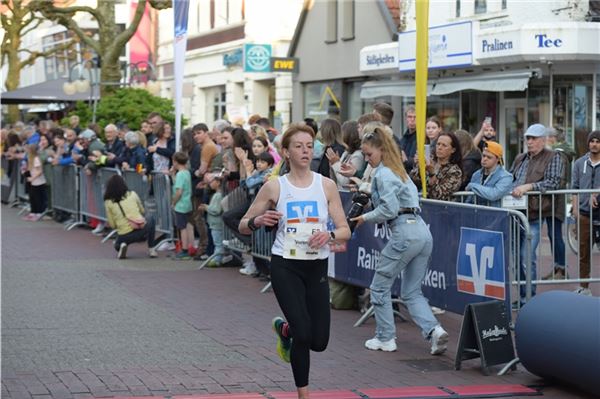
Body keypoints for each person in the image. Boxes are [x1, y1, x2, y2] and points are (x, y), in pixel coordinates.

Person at [238, 124, 350, 399]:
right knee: (303, 333)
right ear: (286, 152)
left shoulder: (326, 185)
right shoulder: (275, 186)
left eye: (309, 145)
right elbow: (242, 224)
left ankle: (285, 329)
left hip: (316, 266)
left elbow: (345, 229)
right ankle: (304, 394)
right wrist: (258, 221)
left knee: (319, 341)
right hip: (285, 264)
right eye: (298, 146)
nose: (305, 151)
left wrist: (330, 234)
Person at [349, 127, 449, 355]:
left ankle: (385, 337)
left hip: (404, 232)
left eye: (368, 154)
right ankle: (434, 330)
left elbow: (388, 209)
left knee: (379, 287)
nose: (366, 159)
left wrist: (364, 217)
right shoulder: (398, 171)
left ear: (381, 150)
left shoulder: (384, 174)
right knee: (412, 292)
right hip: (422, 231)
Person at [510, 123, 564, 306]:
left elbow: (553, 182)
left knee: (527, 256)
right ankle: (524, 295)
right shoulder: (520, 158)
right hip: (515, 212)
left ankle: (529, 298)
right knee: (516, 258)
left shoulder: (553, 156)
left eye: (533, 138)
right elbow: (510, 178)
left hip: (535, 212)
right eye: (527, 138)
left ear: (543, 140)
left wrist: (529, 186)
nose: (529, 141)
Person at [570, 130, 600, 296]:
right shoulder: (579, 163)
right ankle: (584, 286)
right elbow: (574, 188)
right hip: (583, 214)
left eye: (597, 141)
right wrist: (574, 211)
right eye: (592, 141)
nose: (594, 144)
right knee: (584, 253)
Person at [104, 174, 157, 259]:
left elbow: (113, 225)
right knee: (151, 218)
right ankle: (152, 249)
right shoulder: (132, 194)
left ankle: (122, 245)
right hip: (139, 229)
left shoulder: (108, 202)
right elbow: (142, 211)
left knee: (117, 244)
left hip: (124, 234)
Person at [410, 131, 463, 201]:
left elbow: (439, 195)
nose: (439, 147)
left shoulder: (455, 171)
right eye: (438, 144)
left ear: (453, 150)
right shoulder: (430, 160)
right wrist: (419, 167)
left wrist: (432, 174)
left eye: (444, 145)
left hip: (441, 208)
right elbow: (413, 180)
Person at [465, 141, 513, 207]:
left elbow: (494, 194)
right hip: (477, 214)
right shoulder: (476, 175)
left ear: (498, 159)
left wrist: (472, 186)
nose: (485, 159)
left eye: (489, 157)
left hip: (496, 215)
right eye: (483, 155)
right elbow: (469, 199)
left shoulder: (506, 177)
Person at [171, 151, 194, 260]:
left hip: (180, 205)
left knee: (182, 227)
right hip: (188, 203)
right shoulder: (187, 172)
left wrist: (173, 201)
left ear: (175, 162)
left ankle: (184, 249)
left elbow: (178, 191)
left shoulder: (180, 174)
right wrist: (172, 175)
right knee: (189, 225)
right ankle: (191, 246)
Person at [198, 174, 225, 267]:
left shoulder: (218, 195)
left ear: (218, 183)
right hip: (214, 223)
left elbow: (216, 210)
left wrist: (206, 207)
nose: (210, 183)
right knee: (218, 242)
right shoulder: (217, 195)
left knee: (218, 243)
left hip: (216, 224)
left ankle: (217, 260)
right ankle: (217, 258)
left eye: (212, 181)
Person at [22, 144, 47, 221]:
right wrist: (26, 174)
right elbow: (30, 169)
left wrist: (32, 178)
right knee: (32, 197)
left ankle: (38, 213)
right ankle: (33, 212)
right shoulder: (30, 159)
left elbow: (39, 171)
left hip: (38, 181)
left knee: (37, 198)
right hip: (33, 182)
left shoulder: (36, 159)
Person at [399, 105, 417, 171]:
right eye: (409, 117)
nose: (412, 120)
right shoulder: (402, 139)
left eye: (415, 117)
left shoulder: (423, 139)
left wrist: (406, 160)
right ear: (406, 118)